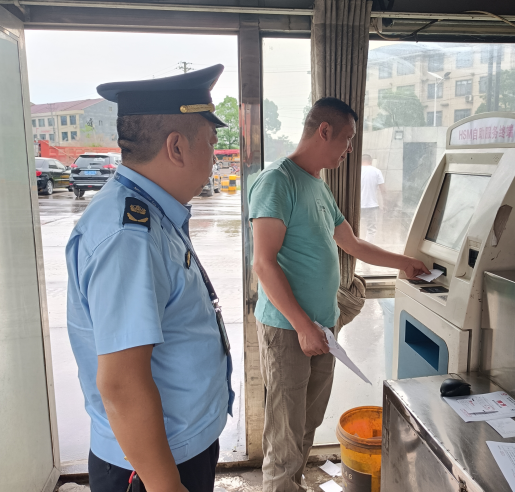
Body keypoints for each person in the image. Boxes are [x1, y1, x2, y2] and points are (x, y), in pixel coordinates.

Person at [248, 97, 430, 492]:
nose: (349, 149)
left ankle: (292, 485)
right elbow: (263, 263)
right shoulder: (277, 181)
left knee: (306, 424)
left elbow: (352, 243)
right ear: (324, 131)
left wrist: (404, 262)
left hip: (322, 327)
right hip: (288, 329)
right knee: (285, 433)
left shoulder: (318, 185)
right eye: (347, 139)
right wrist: (302, 326)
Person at [66, 65, 234, 492]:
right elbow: (121, 384)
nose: (214, 158)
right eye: (211, 143)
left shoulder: (150, 212)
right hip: (153, 467)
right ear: (177, 147)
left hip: (174, 449)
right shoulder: (129, 236)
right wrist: (166, 485)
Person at [359, 153, 385, 244]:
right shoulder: (377, 171)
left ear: (360, 161)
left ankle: (355, 247)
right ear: (370, 161)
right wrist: (384, 204)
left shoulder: (356, 171)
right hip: (372, 206)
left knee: (354, 227)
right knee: (371, 229)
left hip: (357, 205)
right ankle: (367, 248)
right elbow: (383, 190)